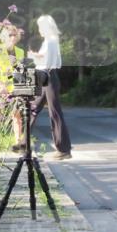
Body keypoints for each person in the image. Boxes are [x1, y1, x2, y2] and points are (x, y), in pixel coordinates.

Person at [29, 14, 72, 160]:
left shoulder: (51, 41)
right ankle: (23, 143)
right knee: (33, 108)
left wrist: (34, 56)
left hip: (47, 76)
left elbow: (46, 62)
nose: (39, 30)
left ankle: (64, 149)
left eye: (41, 27)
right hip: (46, 76)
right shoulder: (51, 41)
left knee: (54, 112)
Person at [0, 24, 26, 151]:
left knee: (17, 116)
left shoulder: (20, 51)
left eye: (15, 34)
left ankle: (17, 143)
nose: (13, 37)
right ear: (5, 36)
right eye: (10, 35)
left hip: (15, 87)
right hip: (0, 88)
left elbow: (21, 71)